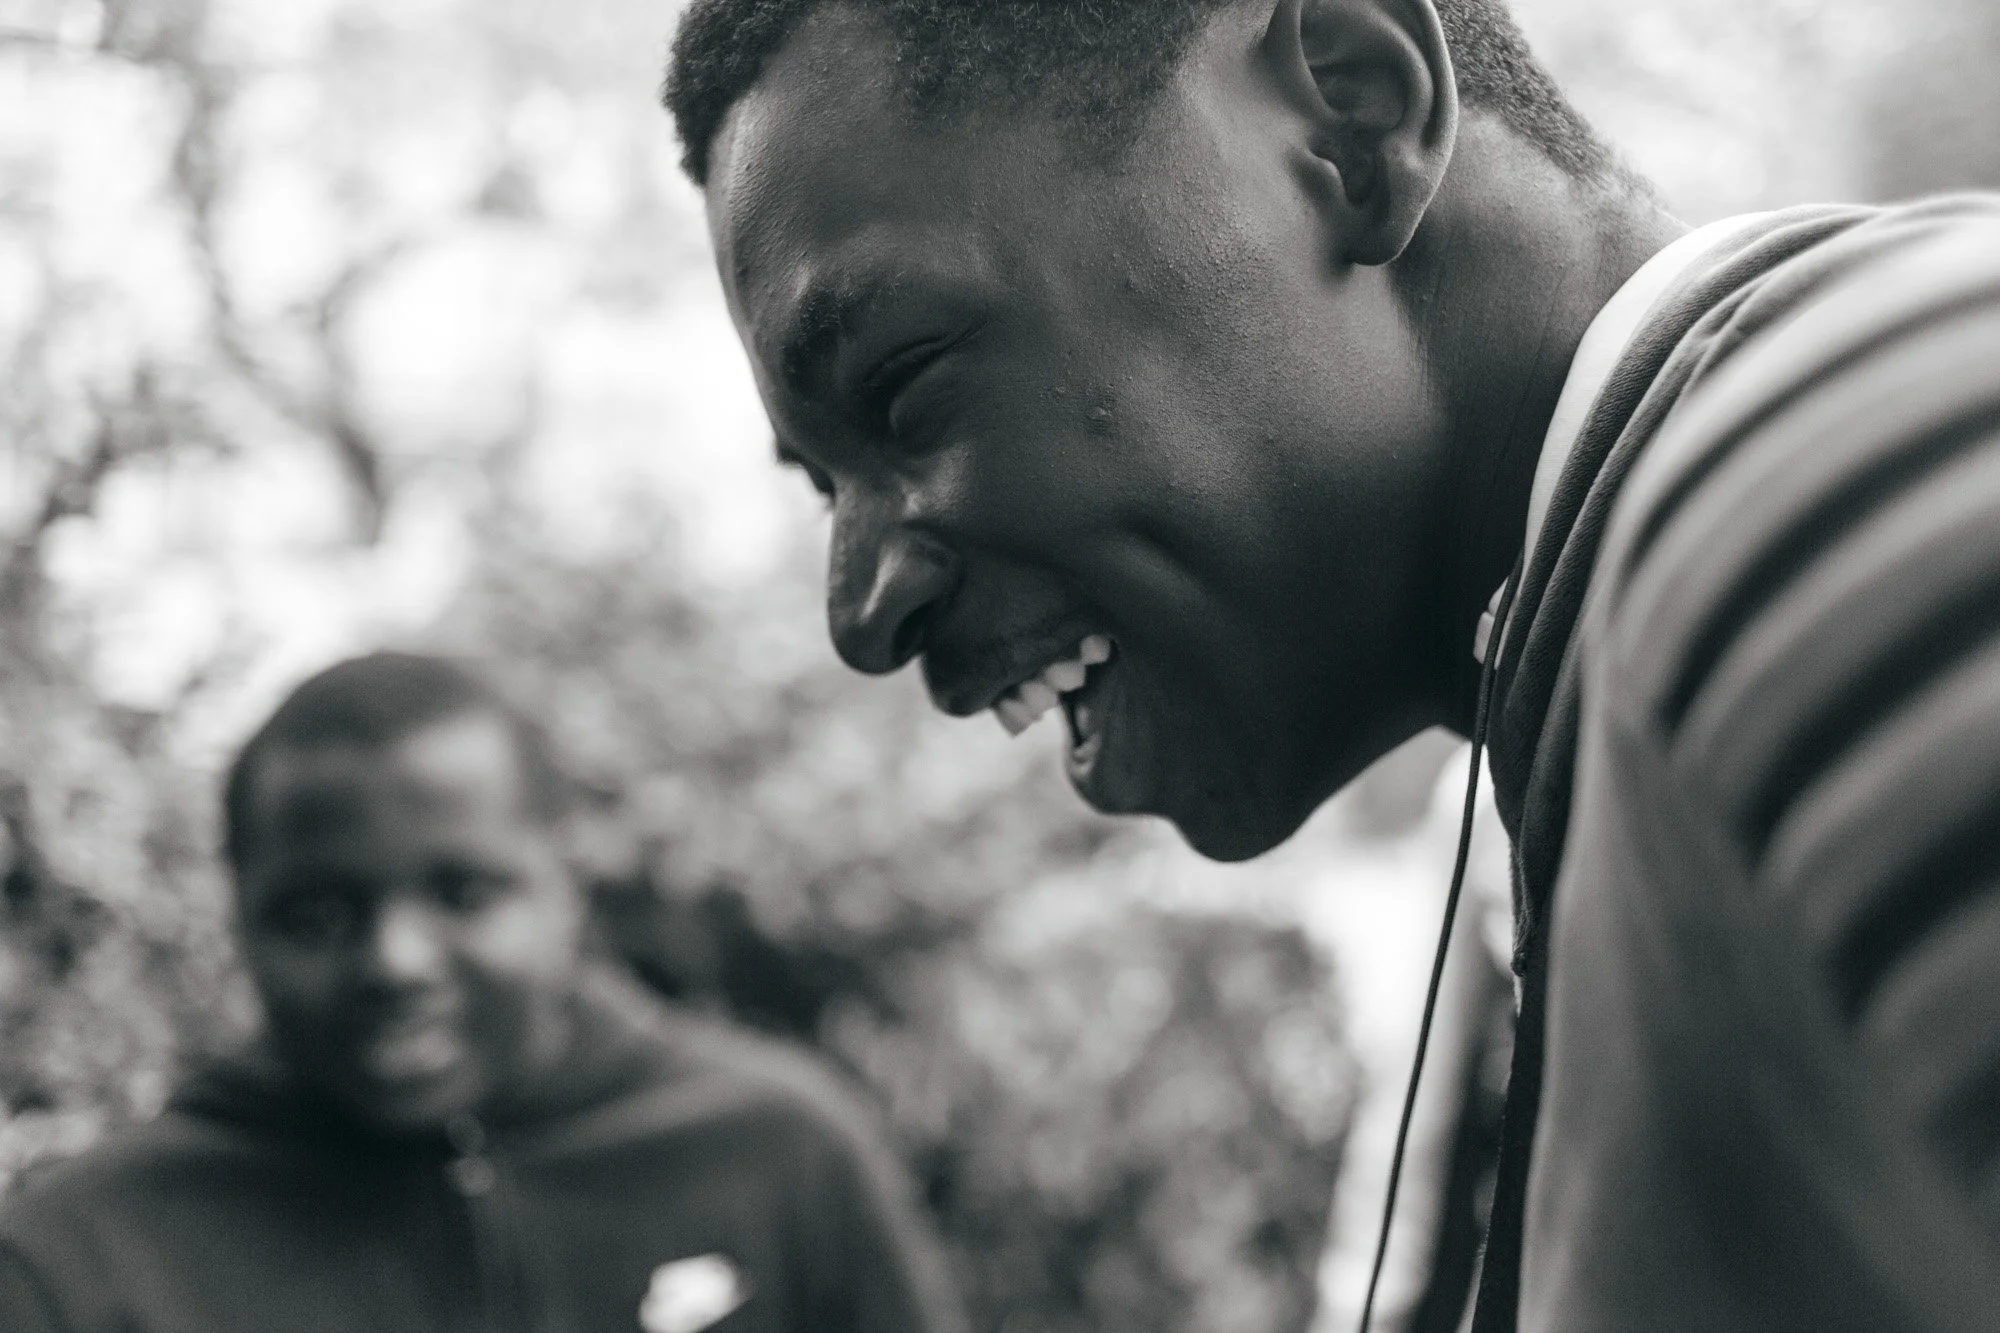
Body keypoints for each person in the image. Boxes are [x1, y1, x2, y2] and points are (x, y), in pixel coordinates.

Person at [660, 1, 2000, 1328]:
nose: (861, 611)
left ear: (1352, 119)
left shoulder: (1830, 463)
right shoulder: (1559, 757)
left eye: (907, 380)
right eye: (823, 487)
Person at [0, 652, 966, 1333]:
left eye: (463, 893)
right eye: (318, 913)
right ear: (240, 917)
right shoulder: (83, 1255)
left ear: (566, 884)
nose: (395, 961)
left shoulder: (779, 1152)